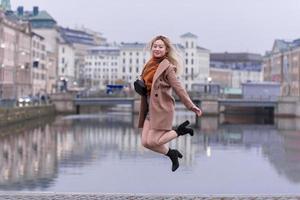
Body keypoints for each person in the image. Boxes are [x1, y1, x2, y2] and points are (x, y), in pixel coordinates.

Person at [137, 35, 202, 172]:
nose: (157, 49)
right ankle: (171, 154)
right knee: (145, 142)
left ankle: (179, 131)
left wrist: (191, 105)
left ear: (166, 50)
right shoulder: (148, 64)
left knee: (155, 141)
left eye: (160, 47)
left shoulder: (167, 67)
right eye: (155, 46)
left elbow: (178, 88)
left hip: (161, 109)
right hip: (149, 108)